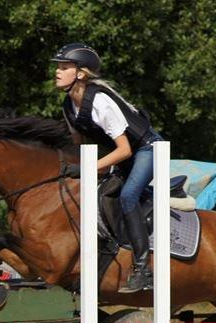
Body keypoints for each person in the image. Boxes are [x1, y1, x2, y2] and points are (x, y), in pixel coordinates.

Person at [51, 42, 162, 293]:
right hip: (125, 156)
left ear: (80, 73)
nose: (57, 71)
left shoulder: (100, 101)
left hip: (147, 148)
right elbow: (79, 147)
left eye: (63, 67)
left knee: (128, 196)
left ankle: (143, 269)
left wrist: (89, 169)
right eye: (58, 67)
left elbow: (124, 149)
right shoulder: (69, 106)